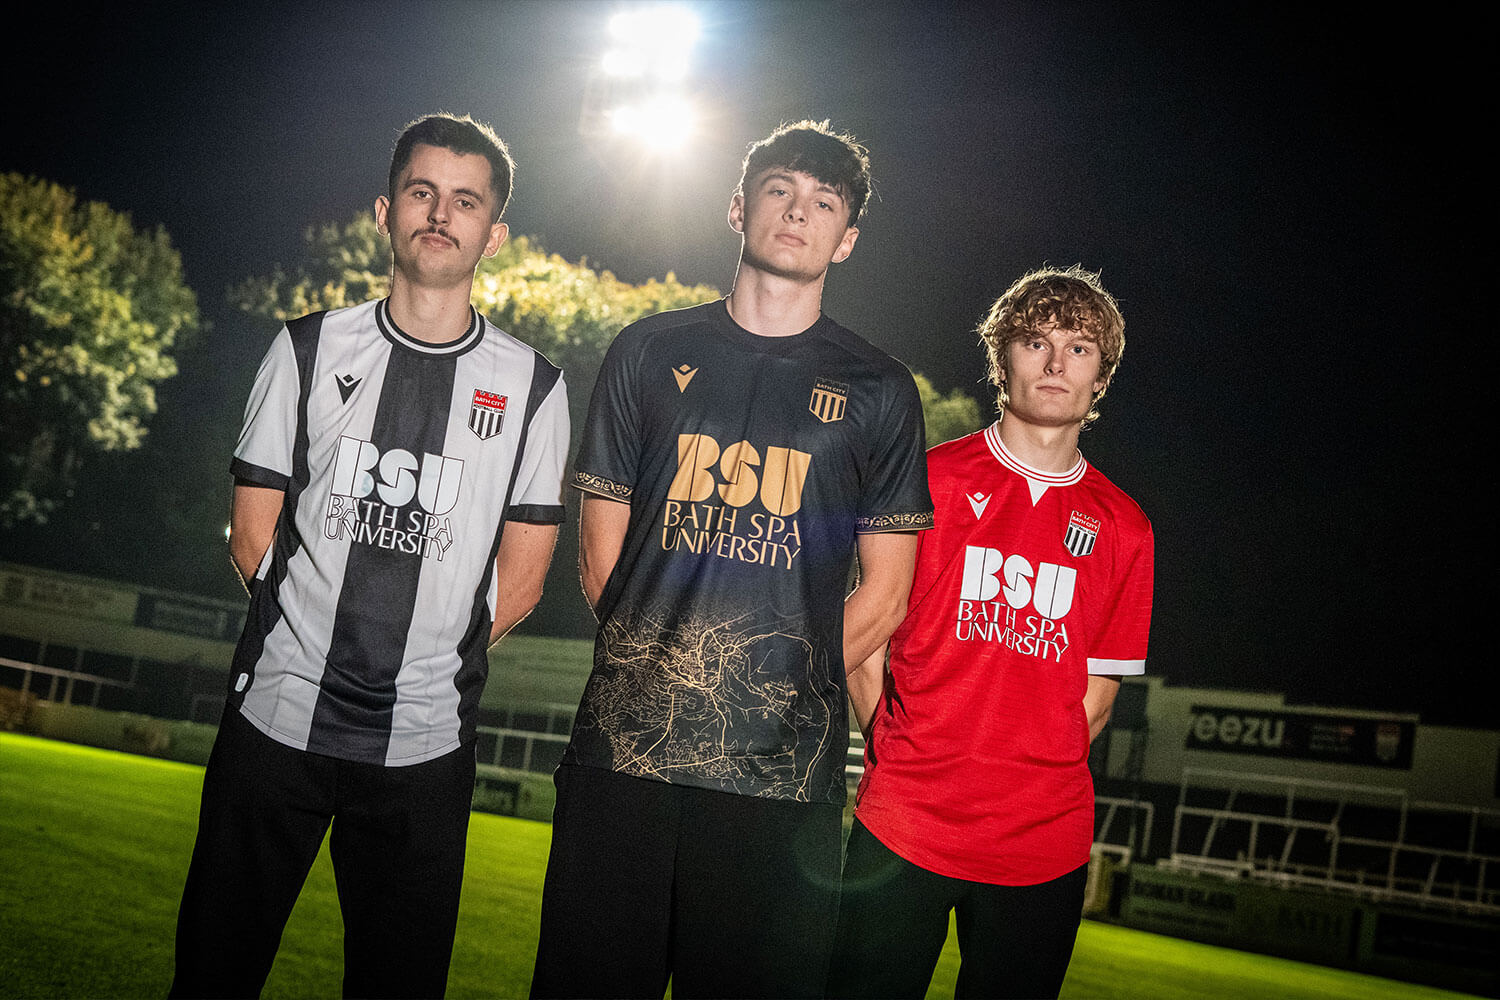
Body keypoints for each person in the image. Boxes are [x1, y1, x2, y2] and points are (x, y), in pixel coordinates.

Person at [169, 113, 570, 999]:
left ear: (493, 234)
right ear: (384, 212)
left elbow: (527, 576)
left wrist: (426, 661)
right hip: (276, 724)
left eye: (465, 201)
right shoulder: (306, 347)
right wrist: (313, 643)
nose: (441, 215)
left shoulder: (535, 386)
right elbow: (251, 534)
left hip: (426, 748)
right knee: (210, 976)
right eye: (422, 193)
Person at [529, 120, 933, 999]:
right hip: (624, 757)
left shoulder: (880, 390)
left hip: (783, 786)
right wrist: (672, 677)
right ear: (738, 206)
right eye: (781, 190)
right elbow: (603, 565)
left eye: (825, 203)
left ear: (848, 238)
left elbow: (889, 592)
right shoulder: (647, 349)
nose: (799, 213)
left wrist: (778, 692)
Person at [828, 266, 1154, 999]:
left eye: (1079, 348)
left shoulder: (1125, 527)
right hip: (904, 824)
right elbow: (867, 637)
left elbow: (1095, 704)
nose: (1055, 363)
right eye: (1035, 341)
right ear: (1001, 357)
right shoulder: (929, 480)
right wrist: (907, 757)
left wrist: (1013, 780)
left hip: (1043, 844)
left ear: (1102, 375)